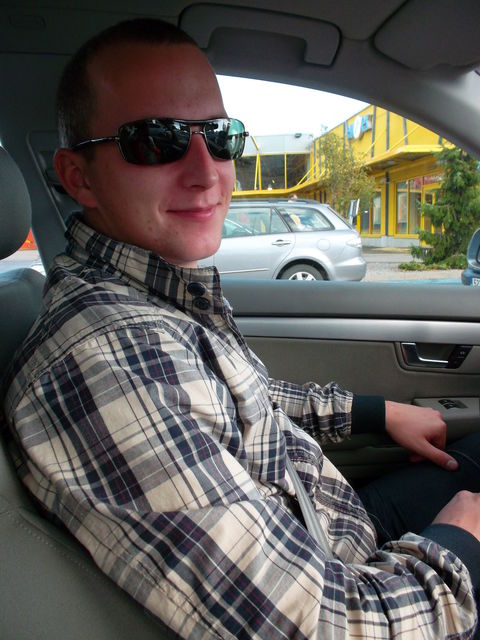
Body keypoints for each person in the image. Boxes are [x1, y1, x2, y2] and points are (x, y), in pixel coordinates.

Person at [2, 17, 480, 639]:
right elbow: (328, 628)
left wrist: (374, 412)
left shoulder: (149, 296)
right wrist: (458, 547)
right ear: (79, 176)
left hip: (334, 534)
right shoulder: (103, 359)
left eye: (219, 136)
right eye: (157, 140)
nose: (207, 172)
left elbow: (236, 401)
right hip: (362, 593)